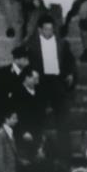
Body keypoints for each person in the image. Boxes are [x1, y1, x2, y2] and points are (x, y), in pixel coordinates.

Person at [25, 17, 77, 156]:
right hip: (40, 82)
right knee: (37, 117)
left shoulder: (62, 43)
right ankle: (35, 151)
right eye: (46, 29)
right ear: (40, 30)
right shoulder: (31, 44)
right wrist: (31, 74)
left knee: (63, 117)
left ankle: (64, 153)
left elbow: (70, 60)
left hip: (57, 81)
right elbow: (25, 63)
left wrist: (70, 73)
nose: (49, 32)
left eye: (51, 29)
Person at [0, 44, 41, 138]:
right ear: (16, 59)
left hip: (24, 114)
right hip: (6, 113)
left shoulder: (31, 74)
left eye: (28, 58)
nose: (27, 61)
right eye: (24, 58)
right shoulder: (2, 72)